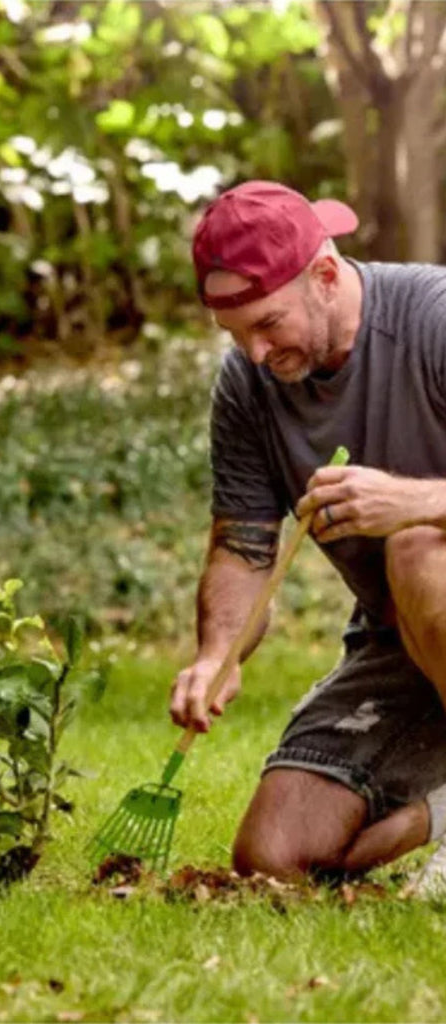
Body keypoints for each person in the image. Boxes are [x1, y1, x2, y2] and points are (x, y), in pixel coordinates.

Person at [170, 180, 446, 892]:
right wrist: (217, 655)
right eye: (234, 335)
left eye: (267, 324)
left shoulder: (433, 320)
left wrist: (411, 500)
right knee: (276, 856)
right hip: (404, 641)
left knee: (417, 547)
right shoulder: (248, 386)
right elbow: (243, 543)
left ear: (324, 276)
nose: (254, 354)